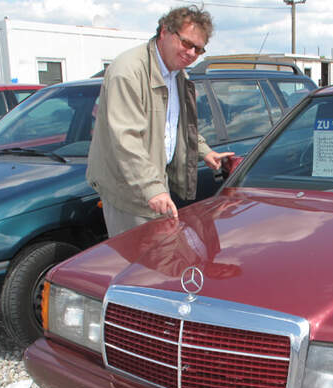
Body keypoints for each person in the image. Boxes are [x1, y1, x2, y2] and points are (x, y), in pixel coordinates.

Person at [87, 5, 233, 237]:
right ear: (164, 31)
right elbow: (126, 140)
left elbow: (178, 125)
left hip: (155, 183)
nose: (192, 53)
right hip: (129, 190)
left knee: (159, 261)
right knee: (137, 263)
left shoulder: (177, 74)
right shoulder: (128, 71)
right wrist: (153, 189)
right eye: (187, 43)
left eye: (198, 49)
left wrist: (204, 151)